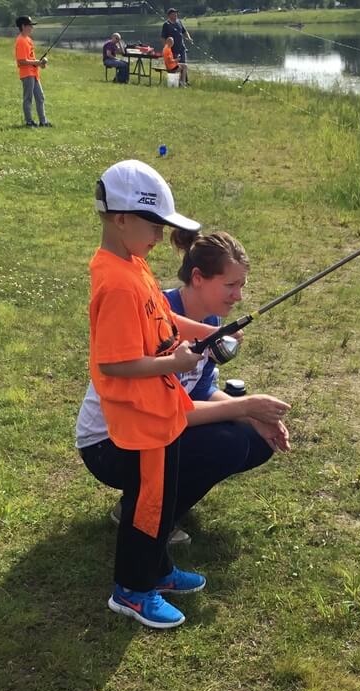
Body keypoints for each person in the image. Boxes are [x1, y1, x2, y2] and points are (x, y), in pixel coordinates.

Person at [77, 230, 290, 547]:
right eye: (230, 285)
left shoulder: (211, 320)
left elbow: (201, 391)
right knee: (228, 443)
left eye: (241, 286)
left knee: (256, 439)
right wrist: (244, 406)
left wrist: (254, 418)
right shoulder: (156, 313)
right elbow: (167, 410)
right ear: (198, 278)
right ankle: (143, 518)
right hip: (110, 444)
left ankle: (155, 506)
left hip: (154, 428)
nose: (239, 296)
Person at [79, 160, 218, 630]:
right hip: (137, 423)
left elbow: (162, 317)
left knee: (165, 498)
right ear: (121, 219)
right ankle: (132, 591)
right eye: (154, 225)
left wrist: (205, 332)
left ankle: (157, 570)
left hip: (158, 414)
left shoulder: (133, 265)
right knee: (148, 507)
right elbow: (114, 364)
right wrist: (173, 365)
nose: (160, 236)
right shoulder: (117, 283)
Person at [14, 16, 49, 128]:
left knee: (40, 97)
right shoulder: (21, 40)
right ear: (23, 26)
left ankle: (43, 122)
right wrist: (37, 62)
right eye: (30, 25)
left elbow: (30, 58)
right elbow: (21, 61)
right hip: (27, 74)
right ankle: (29, 122)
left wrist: (40, 63)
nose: (32, 28)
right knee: (28, 98)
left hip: (34, 73)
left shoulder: (28, 40)